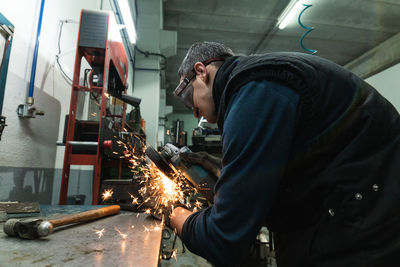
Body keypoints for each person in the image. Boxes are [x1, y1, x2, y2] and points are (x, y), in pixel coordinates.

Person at [167, 41, 400, 267]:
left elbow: (224, 240)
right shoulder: (259, 85)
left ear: (201, 72)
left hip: (360, 235)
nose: (195, 112)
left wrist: (177, 215)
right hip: (357, 219)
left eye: (188, 98)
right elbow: (288, 171)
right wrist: (223, 173)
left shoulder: (254, 90)